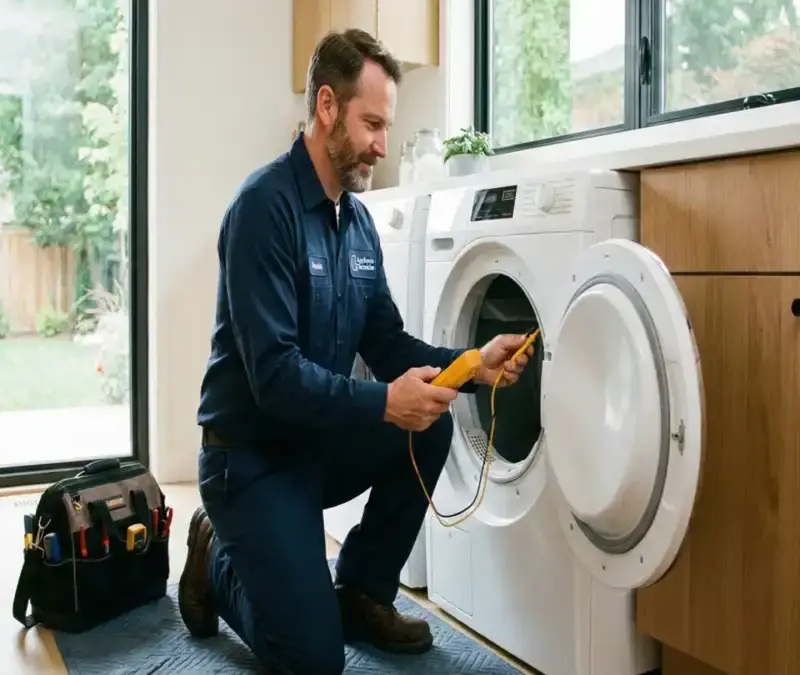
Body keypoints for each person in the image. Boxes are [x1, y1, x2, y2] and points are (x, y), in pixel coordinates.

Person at [178, 28, 534, 675]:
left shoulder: (359, 223)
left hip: (314, 443)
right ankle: (215, 558)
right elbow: (274, 378)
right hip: (250, 459)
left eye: (386, 126)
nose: (382, 144)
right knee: (314, 661)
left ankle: (362, 593)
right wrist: (384, 403)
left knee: (430, 420)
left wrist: (473, 365)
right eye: (372, 124)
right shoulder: (263, 209)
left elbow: (390, 344)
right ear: (326, 106)